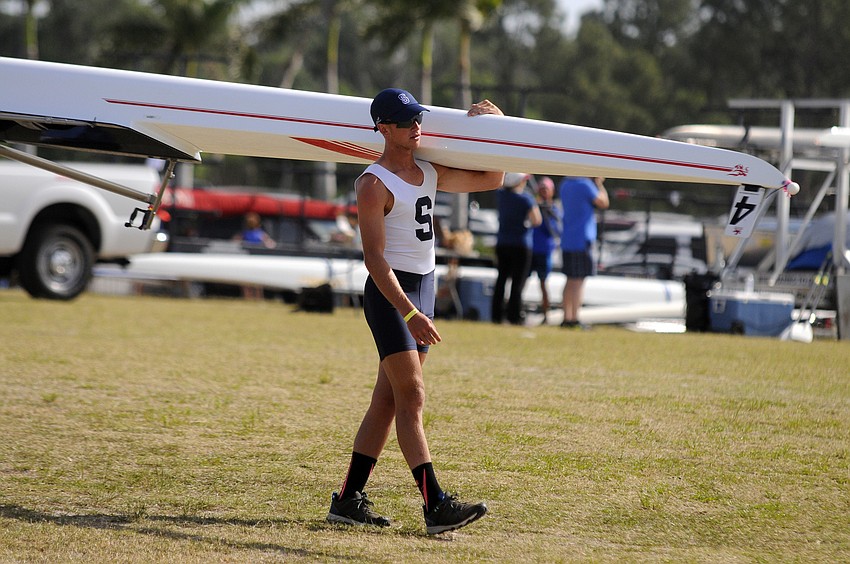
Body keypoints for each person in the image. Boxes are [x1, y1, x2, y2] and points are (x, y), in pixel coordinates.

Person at [327, 88, 505, 535]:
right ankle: (435, 505)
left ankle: (348, 500)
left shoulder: (427, 171)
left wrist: (497, 124)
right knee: (414, 397)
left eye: (417, 118)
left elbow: (492, 178)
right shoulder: (372, 184)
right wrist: (409, 314)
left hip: (421, 290)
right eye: (406, 121)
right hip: (392, 297)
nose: (416, 126)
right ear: (384, 129)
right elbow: (374, 260)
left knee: (388, 400)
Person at [491, 172, 541, 325]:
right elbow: (537, 220)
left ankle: (496, 315)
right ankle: (514, 316)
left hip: (502, 242)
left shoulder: (501, 196)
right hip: (521, 244)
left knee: (501, 280)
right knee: (517, 283)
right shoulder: (526, 199)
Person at [559, 177, 609, 328]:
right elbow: (603, 203)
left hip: (567, 238)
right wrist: (599, 184)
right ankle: (574, 317)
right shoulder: (585, 185)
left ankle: (566, 316)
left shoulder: (565, 184)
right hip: (582, 239)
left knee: (569, 279)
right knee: (579, 281)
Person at [529, 177, 561, 325]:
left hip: (544, 251)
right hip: (531, 249)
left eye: (546, 189)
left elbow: (555, 231)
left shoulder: (554, 210)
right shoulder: (533, 205)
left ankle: (546, 314)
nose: (543, 192)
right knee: (522, 281)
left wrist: (546, 213)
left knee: (543, 284)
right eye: (541, 189)